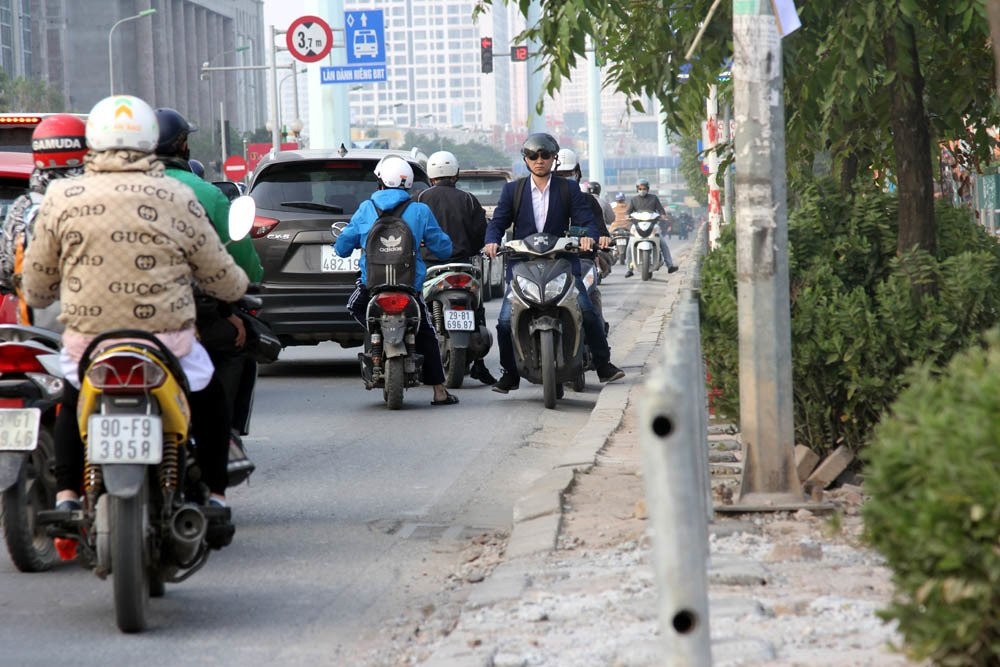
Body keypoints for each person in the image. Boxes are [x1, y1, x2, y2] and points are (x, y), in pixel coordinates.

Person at [22, 94, 249, 513]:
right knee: (211, 398)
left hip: (88, 344)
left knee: (72, 397)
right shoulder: (177, 196)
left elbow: (35, 288)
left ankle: (68, 495)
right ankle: (216, 494)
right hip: (169, 343)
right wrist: (235, 288)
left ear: (93, 142)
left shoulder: (62, 197)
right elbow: (222, 275)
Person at [155, 107, 264, 483]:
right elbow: (238, 265)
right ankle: (226, 436)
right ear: (182, 145)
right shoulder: (201, 194)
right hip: (187, 317)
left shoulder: (97, 195)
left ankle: (66, 491)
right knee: (239, 341)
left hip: (101, 324)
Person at [484, 133, 625, 393]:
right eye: (533, 156)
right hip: (521, 264)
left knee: (587, 310)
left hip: (562, 261)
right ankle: (510, 373)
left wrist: (589, 239)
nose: (539, 161)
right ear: (525, 160)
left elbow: (586, 220)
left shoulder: (568, 189)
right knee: (504, 321)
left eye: (545, 155)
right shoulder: (512, 190)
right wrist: (492, 241)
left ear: (553, 159)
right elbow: (498, 223)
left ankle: (603, 365)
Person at [334, 155, 459, 406]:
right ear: (408, 184)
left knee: (355, 306)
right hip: (409, 287)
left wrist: (349, 243)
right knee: (427, 332)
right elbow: (443, 248)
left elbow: (342, 247)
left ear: (380, 181)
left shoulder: (366, 209)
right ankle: (439, 391)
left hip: (372, 287)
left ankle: (377, 335)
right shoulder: (420, 210)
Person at [415, 150, 496, 385]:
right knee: (477, 311)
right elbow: (481, 235)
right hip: (462, 266)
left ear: (431, 175)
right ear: (456, 174)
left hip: (429, 266)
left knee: (419, 311)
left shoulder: (420, 199)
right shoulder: (469, 199)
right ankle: (479, 364)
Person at [0, 114, 88, 329]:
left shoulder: (23, 208)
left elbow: (5, 273)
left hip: (38, 335)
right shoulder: (100, 201)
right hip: (96, 332)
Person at [624, 177, 679, 277]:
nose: (642, 190)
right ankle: (629, 269)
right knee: (629, 247)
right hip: (637, 225)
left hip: (652, 225)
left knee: (663, 244)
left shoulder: (654, 198)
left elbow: (661, 210)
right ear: (637, 189)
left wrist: (663, 215)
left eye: (644, 188)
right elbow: (628, 212)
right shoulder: (633, 200)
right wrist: (627, 216)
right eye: (640, 188)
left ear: (647, 189)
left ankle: (670, 266)